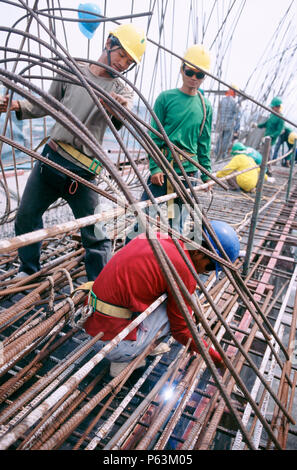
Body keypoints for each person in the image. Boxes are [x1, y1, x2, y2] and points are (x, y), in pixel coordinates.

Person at [0, 24, 146, 281]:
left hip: (83, 172)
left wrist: (119, 108)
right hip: (51, 159)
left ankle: (98, 286)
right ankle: (28, 270)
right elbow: (48, 102)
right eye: (122, 54)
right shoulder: (72, 68)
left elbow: (126, 112)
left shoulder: (121, 91)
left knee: (95, 234)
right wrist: (16, 105)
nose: (123, 63)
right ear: (109, 43)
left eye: (129, 61)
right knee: (26, 216)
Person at [81, 220, 240, 377]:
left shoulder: (158, 237)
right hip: (112, 345)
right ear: (198, 252)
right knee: (178, 315)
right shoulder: (182, 270)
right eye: (210, 267)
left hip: (91, 324)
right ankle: (126, 357)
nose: (206, 272)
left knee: (174, 298)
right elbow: (181, 331)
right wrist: (218, 360)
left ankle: (140, 342)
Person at [126, 44, 213, 243]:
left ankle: (167, 266)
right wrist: (155, 167)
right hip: (163, 167)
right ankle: (128, 253)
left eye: (199, 75)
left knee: (177, 225)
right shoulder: (166, 98)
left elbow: (204, 143)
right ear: (181, 69)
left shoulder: (205, 106)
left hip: (188, 172)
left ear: (204, 77)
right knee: (143, 218)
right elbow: (154, 136)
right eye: (190, 71)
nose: (193, 78)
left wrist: (207, 174)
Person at [257, 96, 284, 175]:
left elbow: (279, 131)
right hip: (266, 137)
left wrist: (270, 137)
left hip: (271, 140)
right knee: (264, 154)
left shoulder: (280, 118)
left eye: (273, 107)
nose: (272, 108)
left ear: (277, 107)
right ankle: (265, 169)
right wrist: (257, 125)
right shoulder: (272, 115)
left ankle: (268, 171)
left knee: (267, 155)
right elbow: (266, 124)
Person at [215, 86, 241, 161]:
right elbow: (237, 117)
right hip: (229, 125)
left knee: (220, 140)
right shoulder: (235, 102)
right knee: (226, 141)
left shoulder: (222, 100)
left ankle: (217, 154)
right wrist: (237, 129)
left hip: (221, 124)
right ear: (234, 92)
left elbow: (219, 113)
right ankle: (223, 155)